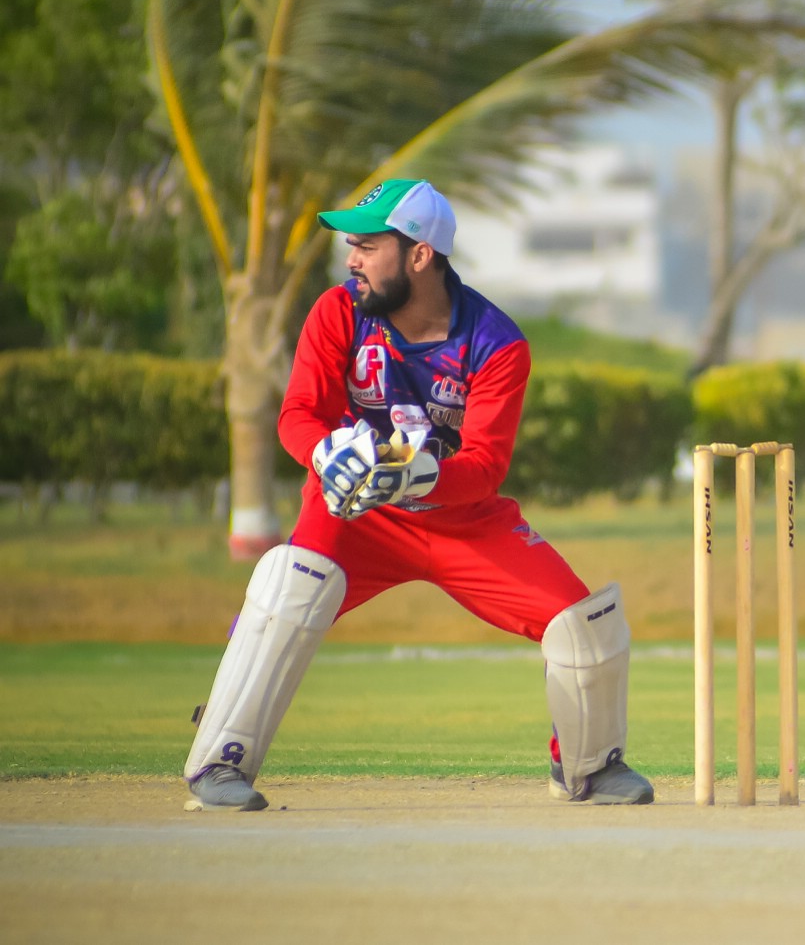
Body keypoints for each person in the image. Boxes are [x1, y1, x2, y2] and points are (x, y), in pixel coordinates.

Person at [183, 178, 653, 810]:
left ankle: (588, 767)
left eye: (367, 246)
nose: (352, 259)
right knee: (287, 589)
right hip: (355, 512)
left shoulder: (497, 342)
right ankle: (219, 764)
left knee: (583, 625)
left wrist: (414, 475)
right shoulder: (338, 311)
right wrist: (326, 454)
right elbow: (298, 414)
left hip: (462, 519)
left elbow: (484, 465)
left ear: (420, 255)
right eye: (352, 245)